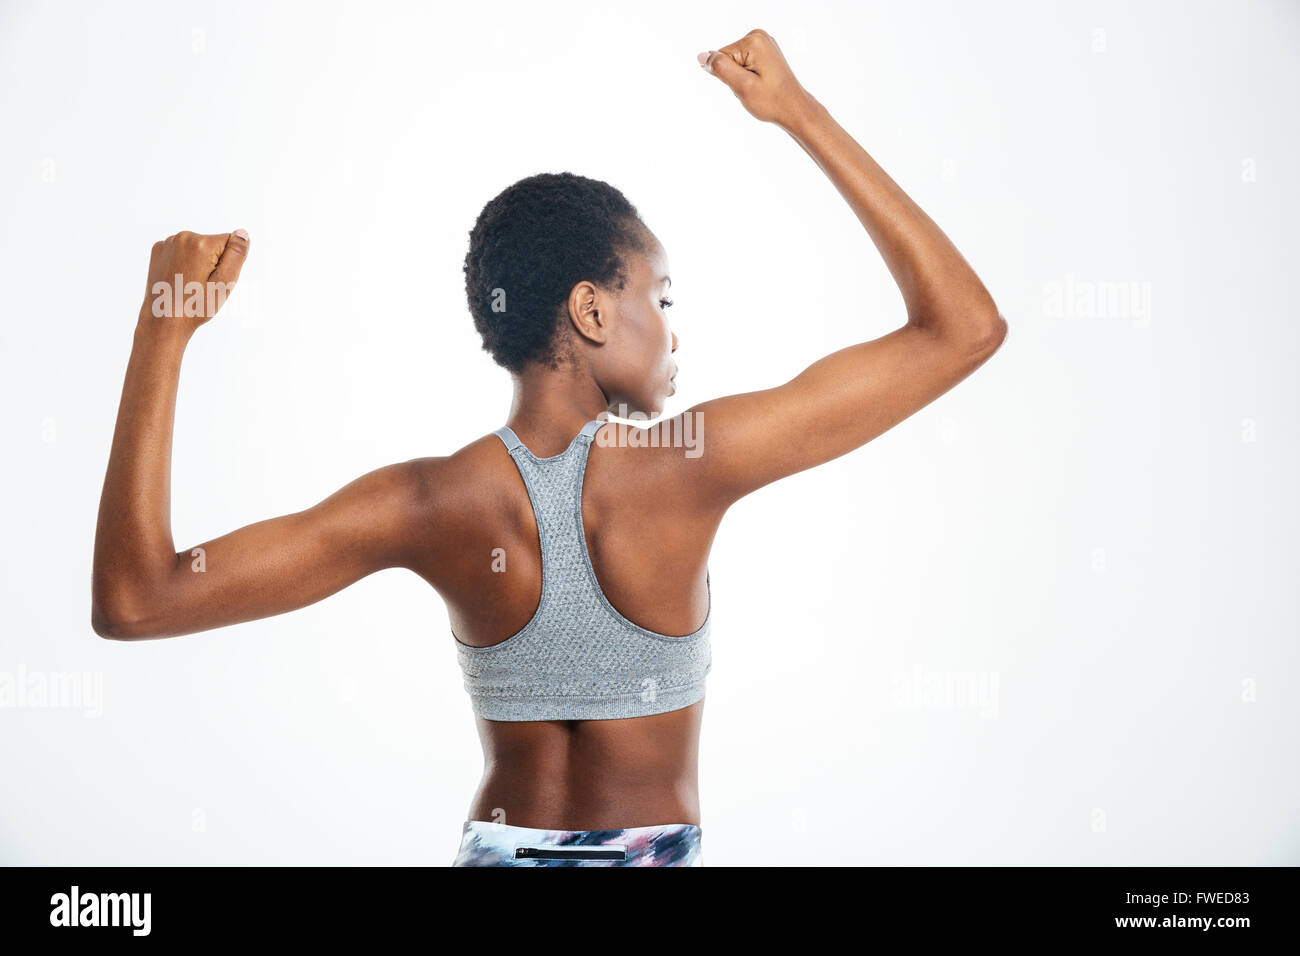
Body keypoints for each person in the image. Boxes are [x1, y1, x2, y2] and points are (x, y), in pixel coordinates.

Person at [91, 29, 1007, 867]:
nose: (675, 334)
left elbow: (137, 601)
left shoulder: (428, 503)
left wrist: (163, 331)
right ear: (593, 309)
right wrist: (797, 112)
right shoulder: (694, 461)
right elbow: (963, 328)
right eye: (663, 298)